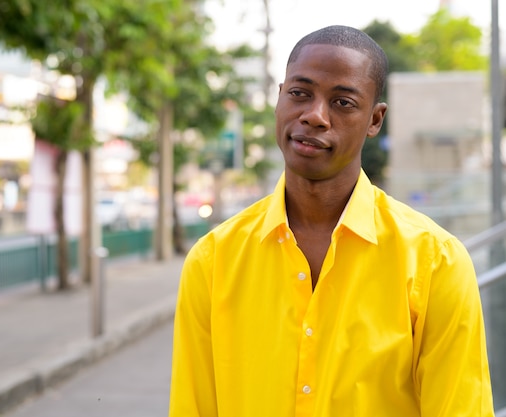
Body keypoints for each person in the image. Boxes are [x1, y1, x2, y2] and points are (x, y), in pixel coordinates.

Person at [168, 25, 495, 416]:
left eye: (342, 102)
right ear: (279, 99)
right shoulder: (213, 261)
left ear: (375, 120)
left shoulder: (435, 263)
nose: (315, 116)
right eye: (299, 94)